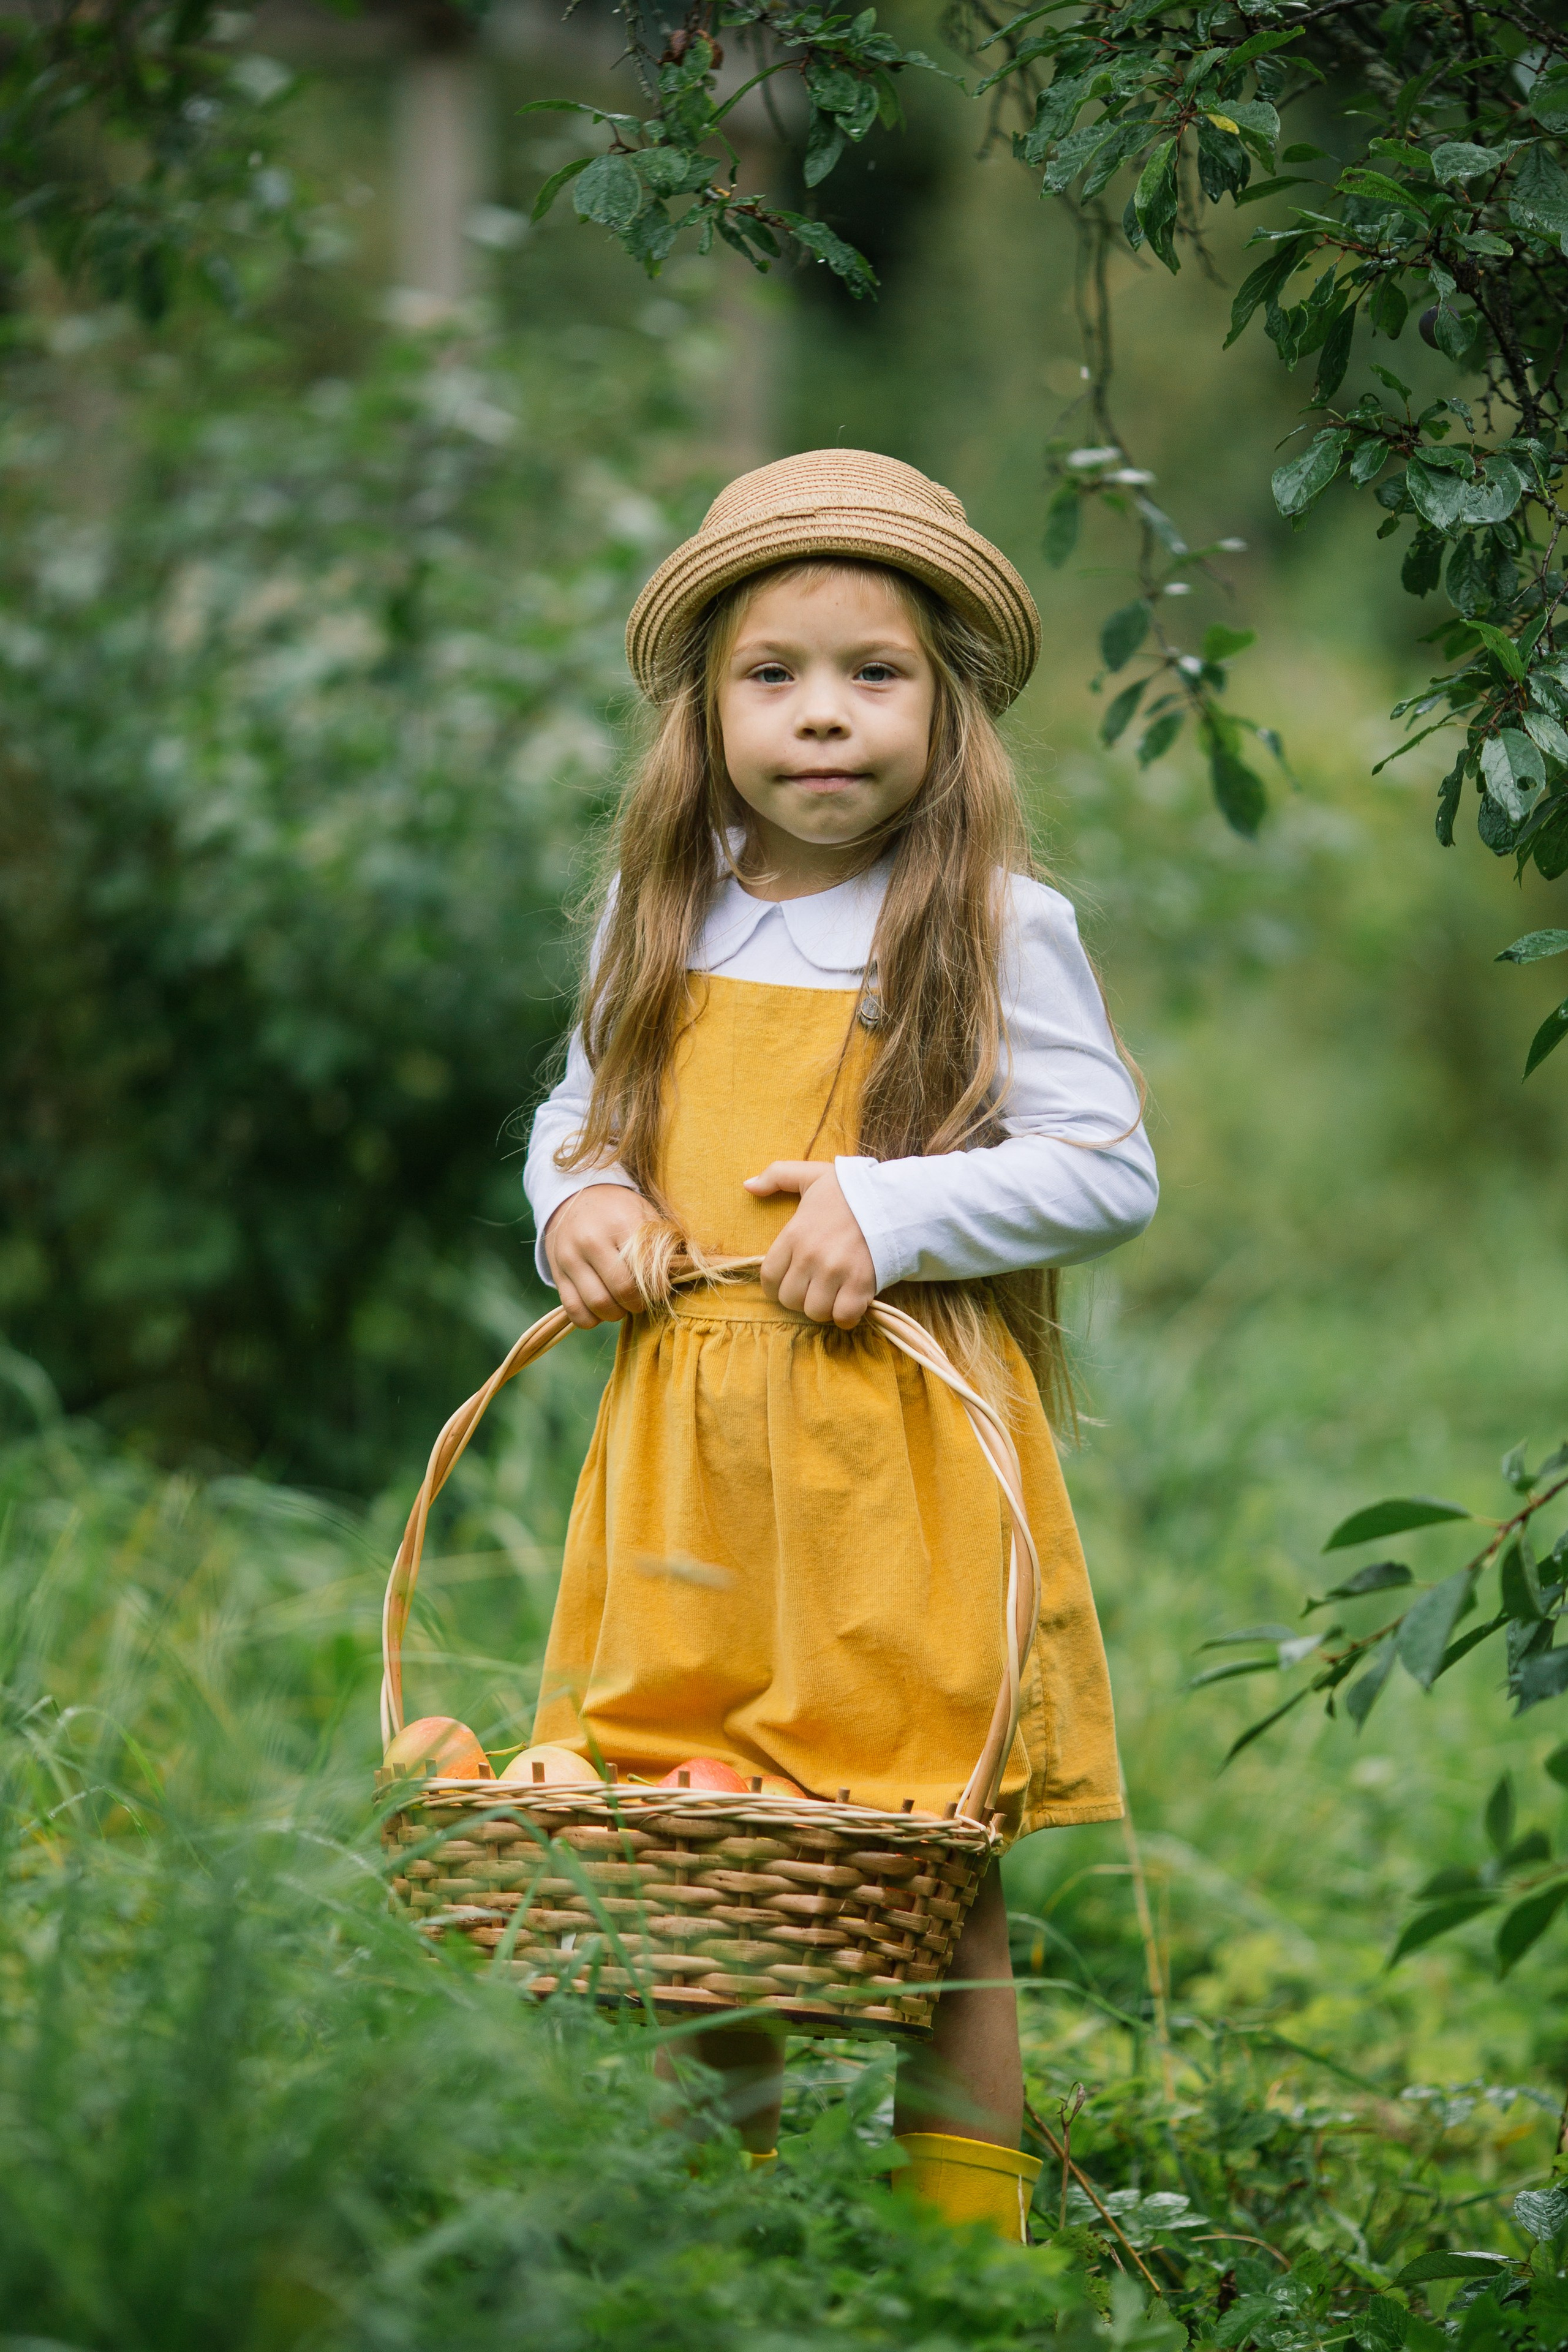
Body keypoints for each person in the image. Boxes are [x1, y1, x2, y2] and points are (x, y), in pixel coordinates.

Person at [522, 448, 1157, 2242]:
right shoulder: (659, 916)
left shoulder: (997, 923)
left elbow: (1108, 1168)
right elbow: (578, 1125)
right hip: (695, 1468)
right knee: (694, 1847)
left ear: (945, 708)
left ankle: (961, 2259)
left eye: (874, 674)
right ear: (707, 710)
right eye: (774, 675)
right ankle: (712, 2241)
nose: (823, 715)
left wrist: (893, 1208)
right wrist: (583, 1206)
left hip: (898, 1467)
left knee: (931, 1865)